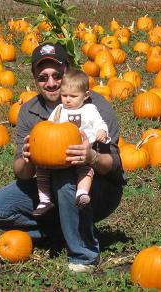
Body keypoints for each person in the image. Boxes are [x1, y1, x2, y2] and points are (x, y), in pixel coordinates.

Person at [0, 42, 126, 273]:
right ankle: (65, 230)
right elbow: (21, 172)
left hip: (96, 187)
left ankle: (84, 255)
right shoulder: (29, 111)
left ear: (67, 70)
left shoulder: (94, 105)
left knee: (66, 182)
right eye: (43, 77)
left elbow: (114, 166)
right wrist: (28, 159)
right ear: (35, 79)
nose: (51, 83)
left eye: (57, 75)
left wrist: (92, 156)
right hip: (46, 185)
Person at [33, 68, 111, 217]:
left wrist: (102, 131)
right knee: (42, 169)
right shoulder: (59, 109)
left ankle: (82, 193)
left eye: (73, 96)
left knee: (86, 170)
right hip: (60, 152)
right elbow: (49, 126)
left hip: (80, 152)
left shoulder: (90, 109)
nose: (67, 100)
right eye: (64, 95)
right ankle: (44, 199)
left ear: (86, 95)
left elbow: (99, 123)